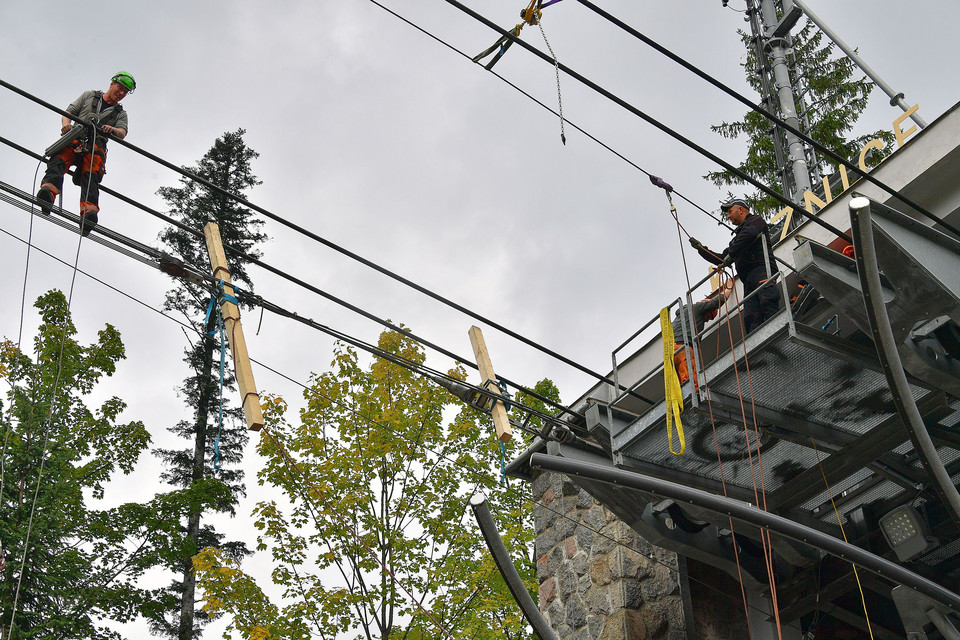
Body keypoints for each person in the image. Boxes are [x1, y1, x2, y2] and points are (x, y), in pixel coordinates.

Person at [36, 71, 136, 236]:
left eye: (125, 92)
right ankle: (48, 192)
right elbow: (70, 111)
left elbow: (122, 132)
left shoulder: (120, 114)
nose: (121, 93)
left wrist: (113, 130)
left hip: (96, 147)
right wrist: (66, 124)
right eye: (120, 88)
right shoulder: (90, 95)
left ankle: (88, 214)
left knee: (92, 176)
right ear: (112, 84)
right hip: (76, 137)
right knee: (59, 160)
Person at [688, 198, 780, 334]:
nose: (728, 216)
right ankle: (760, 346)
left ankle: (777, 332)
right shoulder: (737, 240)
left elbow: (749, 235)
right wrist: (701, 249)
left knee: (767, 301)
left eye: (730, 211)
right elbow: (721, 258)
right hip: (748, 280)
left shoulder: (756, 221)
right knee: (750, 317)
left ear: (740, 209)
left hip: (762, 271)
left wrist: (730, 255)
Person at [671, 279, 733, 386]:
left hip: (673, 349)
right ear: (706, 309)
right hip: (683, 347)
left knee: (681, 380)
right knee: (691, 380)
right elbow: (718, 301)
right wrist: (728, 288)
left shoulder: (684, 314)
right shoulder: (697, 308)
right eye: (709, 316)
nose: (708, 320)